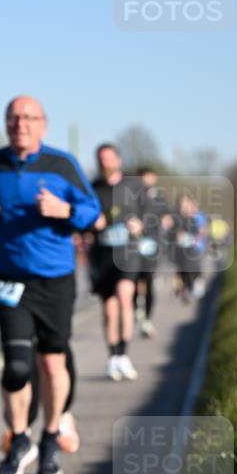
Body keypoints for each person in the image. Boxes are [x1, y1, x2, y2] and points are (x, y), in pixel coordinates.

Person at [0, 96, 100, 474]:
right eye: (13, 118)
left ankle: (50, 437)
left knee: (51, 363)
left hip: (55, 280)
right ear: (6, 123)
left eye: (28, 118)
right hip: (9, 279)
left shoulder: (61, 165)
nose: (20, 124)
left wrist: (67, 212)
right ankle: (20, 439)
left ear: (43, 124)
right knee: (16, 368)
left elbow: (92, 210)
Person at [87, 144, 145, 382]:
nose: (106, 163)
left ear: (118, 160)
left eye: (110, 158)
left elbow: (151, 214)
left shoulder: (133, 186)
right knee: (110, 310)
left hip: (128, 252)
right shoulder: (93, 189)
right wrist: (92, 223)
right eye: (102, 159)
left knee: (125, 297)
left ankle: (124, 354)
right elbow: (82, 220)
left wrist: (139, 225)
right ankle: (113, 357)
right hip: (102, 255)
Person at [133, 166, 172, 338]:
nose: (147, 181)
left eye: (150, 177)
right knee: (132, 280)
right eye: (144, 177)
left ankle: (147, 319)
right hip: (134, 243)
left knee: (148, 280)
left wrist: (166, 220)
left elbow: (167, 215)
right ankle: (136, 309)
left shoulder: (160, 197)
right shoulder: (132, 195)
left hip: (152, 243)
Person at [170, 193, 208, 301]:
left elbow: (202, 230)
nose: (184, 205)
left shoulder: (196, 216)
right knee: (182, 270)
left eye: (186, 202)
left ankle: (195, 284)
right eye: (182, 203)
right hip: (179, 250)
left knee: (193, 267)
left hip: (194, 247)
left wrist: (198, 237)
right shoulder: (175, 216)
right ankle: (184, 288)